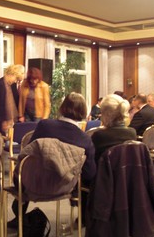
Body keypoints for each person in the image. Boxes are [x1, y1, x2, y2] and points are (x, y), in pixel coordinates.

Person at [8, 93, 96, 227]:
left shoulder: (45, 125)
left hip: (33, 184)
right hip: (64, 187)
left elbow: (28, 153)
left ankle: (18, 217)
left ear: (63, 107)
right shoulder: (85, 139)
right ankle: (83, 219)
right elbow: (90, 174)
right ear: (84, 112)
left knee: (25, 169)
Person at [91, 94, 137, 162]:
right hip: (125, 171)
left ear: (105, 114)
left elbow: (92, 162)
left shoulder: (99, 135)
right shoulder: (132, 133)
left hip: (103, 171)